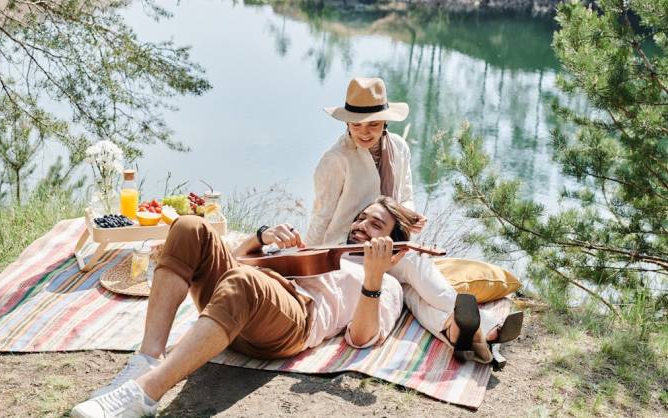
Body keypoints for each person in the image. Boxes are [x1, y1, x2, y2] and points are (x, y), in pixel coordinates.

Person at [71, 197, 520, 417]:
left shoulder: (387, 284)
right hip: (243, 297)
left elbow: (362, 338)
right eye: (362, 218)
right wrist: (262, 239)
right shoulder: (322, 250)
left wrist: (372, 279)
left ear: (393, 244)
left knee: (245, 284)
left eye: (376, 225)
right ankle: (146, 358)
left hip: (290, 321)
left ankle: (145, 395)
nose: (362, 225)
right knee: (190, 227)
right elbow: (238, 264)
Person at [306, 76, 425, 246]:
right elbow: (321, 217)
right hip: (343, 250)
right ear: (347, 123)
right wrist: (308, 256)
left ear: (385, 121)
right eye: (356, 125)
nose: (364, 132)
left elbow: (406, 197)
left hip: (388, 246)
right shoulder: (336, 159)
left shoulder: (399, 148)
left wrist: (409, 216)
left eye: (373, 124)